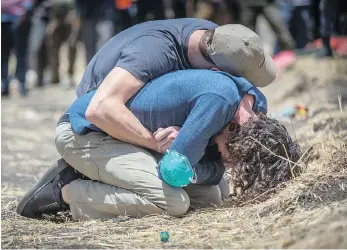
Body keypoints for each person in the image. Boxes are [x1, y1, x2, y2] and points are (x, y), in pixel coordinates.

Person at [17, 69, 301, 220]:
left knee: (213, 197)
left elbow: (195, 168)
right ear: (234, 133)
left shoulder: (248, 108)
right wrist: (204, 165)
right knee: (174, 203)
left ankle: (106, 175)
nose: (231, 164)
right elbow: (173, 171)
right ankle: (68, 190)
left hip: (129, 142)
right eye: (236, 158)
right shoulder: (220, 102)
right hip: (87, 132)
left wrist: (201, 163)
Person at [1, 0, 33, 97]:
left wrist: (25, 10)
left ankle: (22, 84)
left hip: (20, 20)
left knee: (21, 54)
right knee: (3, 55)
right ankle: (4, 84)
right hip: (3, 20)